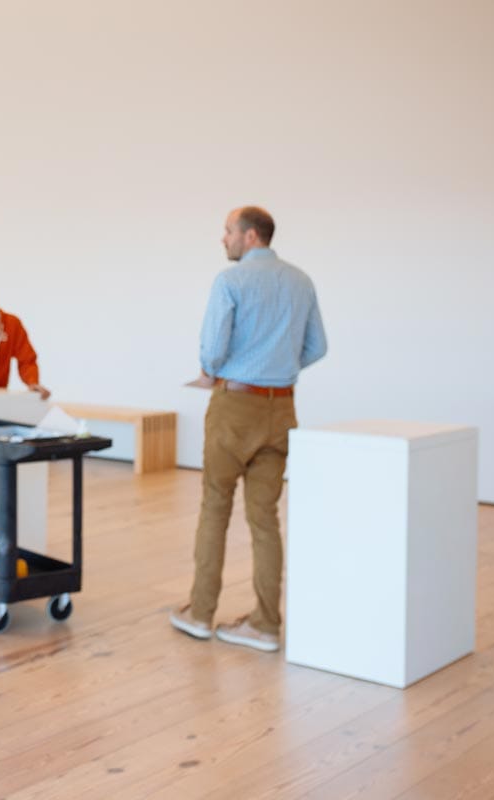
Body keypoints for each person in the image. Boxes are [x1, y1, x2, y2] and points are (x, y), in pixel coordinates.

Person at [170, 206, 327, 653]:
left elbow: (213, 350)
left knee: (215, 506)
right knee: (265, 519)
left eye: (228, 231)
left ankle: (200, 614)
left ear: (251, 235)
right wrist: (276, 367)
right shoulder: (301, 280)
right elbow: (318, 346)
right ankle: (265, 625)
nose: (223, 239)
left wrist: (214, 370)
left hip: (235, 405)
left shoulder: (230, 282)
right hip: (282, 408)